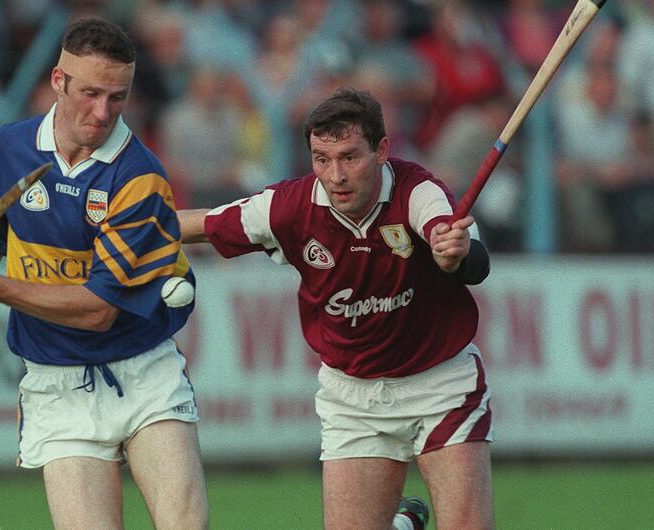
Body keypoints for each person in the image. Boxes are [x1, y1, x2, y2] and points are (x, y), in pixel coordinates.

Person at [0, 18, 208, 530]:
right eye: (90, 93)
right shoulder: (6, 149)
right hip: (56, 383)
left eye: (118, 97)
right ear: (58, 80)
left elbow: (96, 310)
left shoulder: (140, 176)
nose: (103, 112)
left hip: (144, 371)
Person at [179, 88, 493, 530]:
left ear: (382, 150)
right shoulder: (288, 207)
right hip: (353, 396)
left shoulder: (418, 191)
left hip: (440, 384)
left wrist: (453, 253)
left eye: (349, 157)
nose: (336, 175)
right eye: (321, 159)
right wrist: (112, 228)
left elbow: (466, 254)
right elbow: (201, 224)